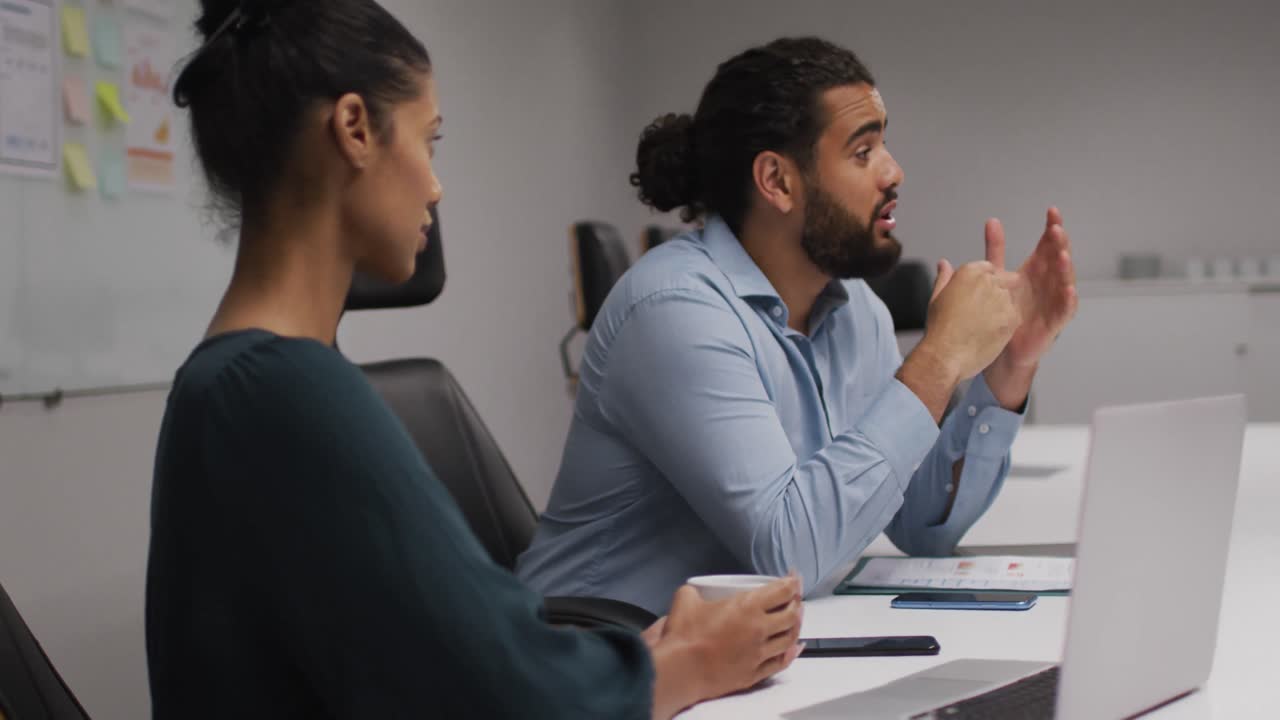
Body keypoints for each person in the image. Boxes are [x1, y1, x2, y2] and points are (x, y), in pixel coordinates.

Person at [145, 2, 802, 718]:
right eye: (429, 141)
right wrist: (697, 661)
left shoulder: (230, 382)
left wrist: (641, 659)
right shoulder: (284, 392)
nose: (435, 186)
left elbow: (445, 657)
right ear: (354, 128)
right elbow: (505, 697)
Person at [517, 37, 1078, 615]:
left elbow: (919, 524)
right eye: (863, 152)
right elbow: (789, 554)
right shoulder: (675, 310)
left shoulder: (856, 309)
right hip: (601, 649)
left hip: (740, 648)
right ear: (778, 181)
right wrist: (939, 361)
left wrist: (1011, 367)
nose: (894, 172)